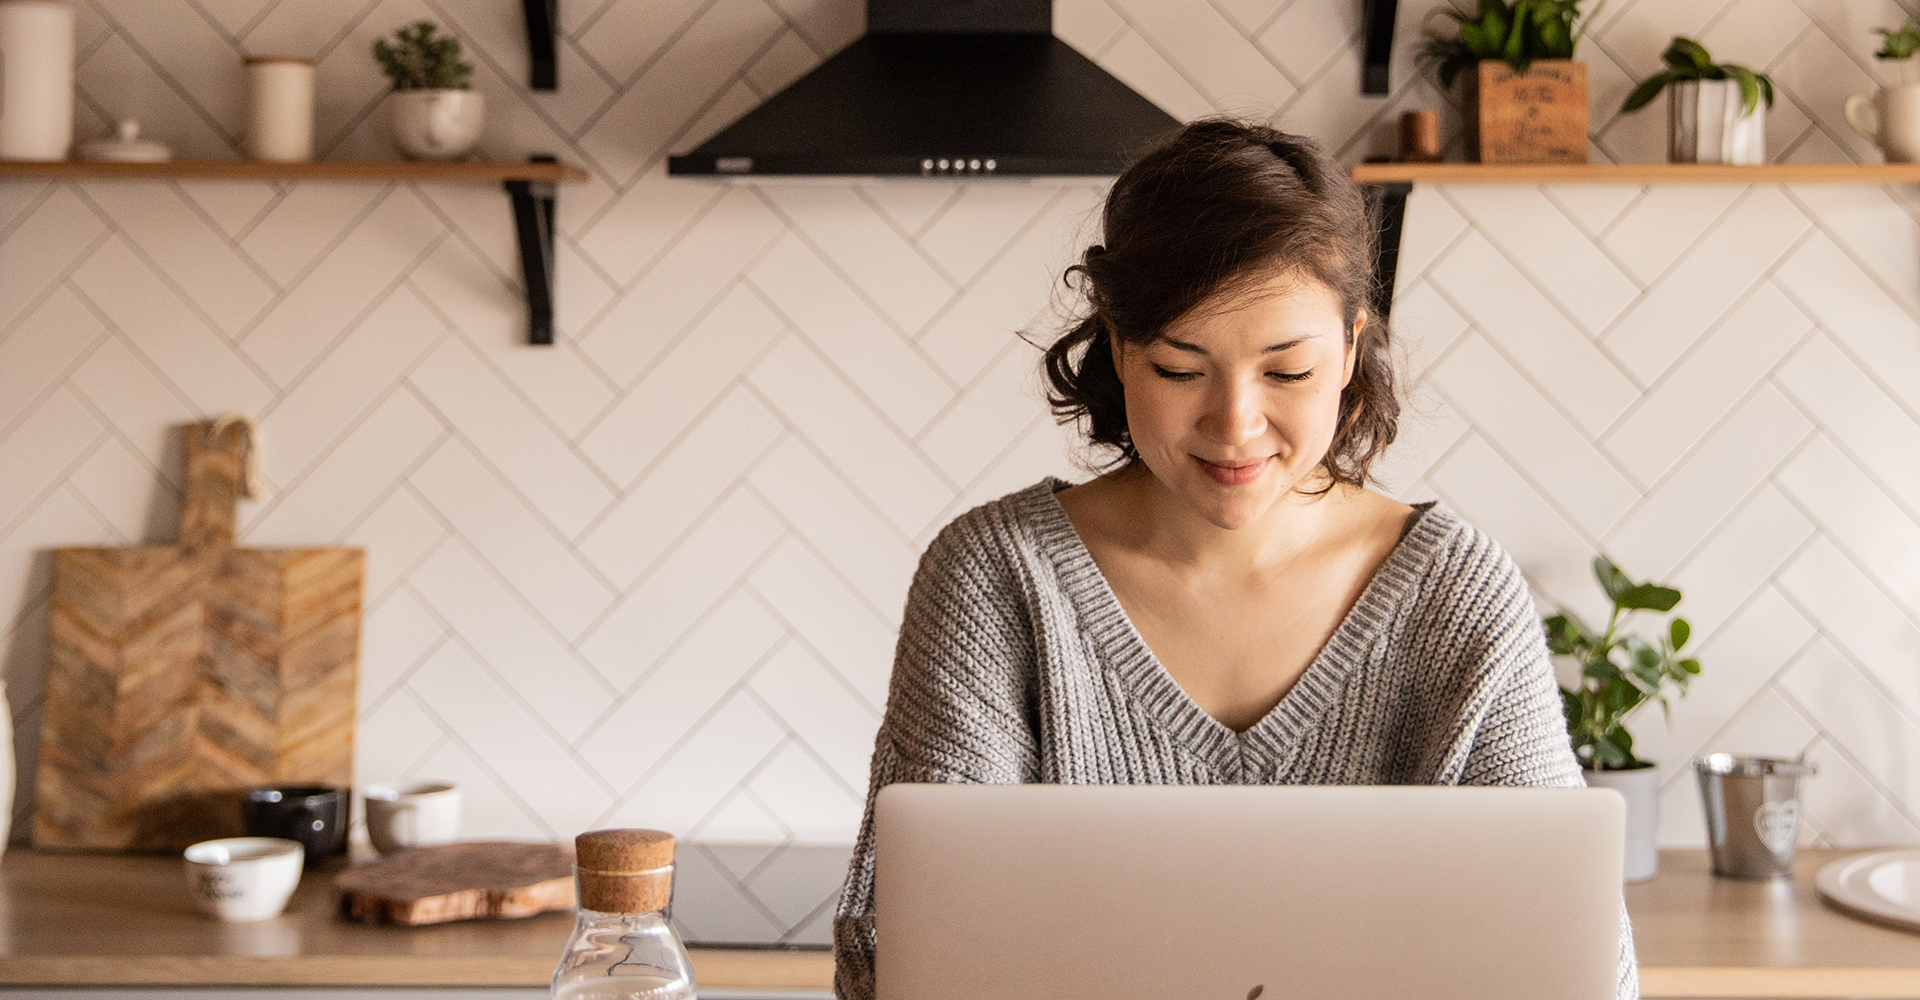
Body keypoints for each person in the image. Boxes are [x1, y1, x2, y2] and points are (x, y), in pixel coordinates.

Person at [831, 117, 1638, 1000]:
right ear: (1118, 347)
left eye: (1286, 372)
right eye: (1181, 369)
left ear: (1351, 351)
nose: (1236, 424)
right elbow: (899, 954)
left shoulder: (1456, 593)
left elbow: (1578, 964)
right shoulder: (994, 578)